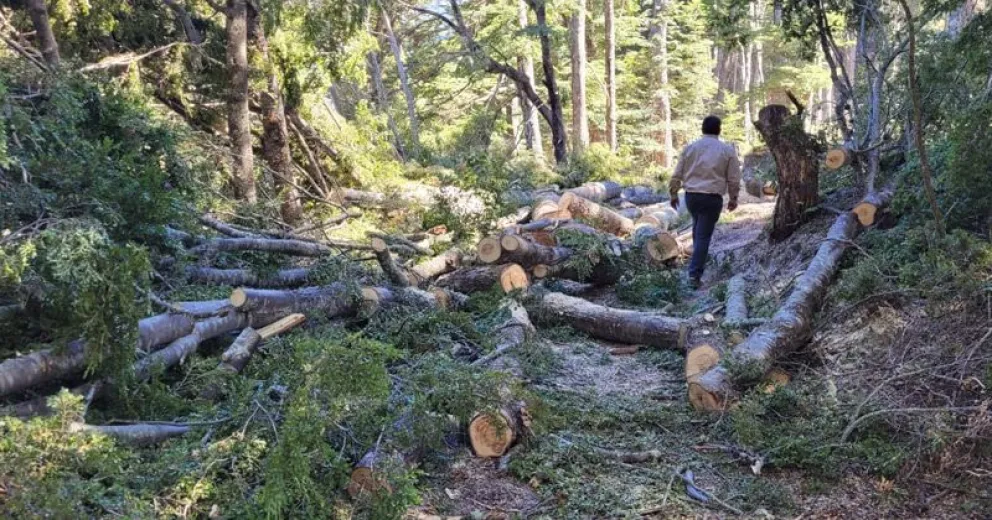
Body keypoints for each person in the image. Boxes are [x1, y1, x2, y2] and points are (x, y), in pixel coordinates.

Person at [669, 115, 741, 289]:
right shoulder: (727, 150)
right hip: (712, 198)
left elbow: (677, 173)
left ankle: (695, 265)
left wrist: (673, 193)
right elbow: (734, 178)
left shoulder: (690, 148)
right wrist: (733, 198)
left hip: (692, 197)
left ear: (703, 129)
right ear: (719, 130)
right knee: (702, 236)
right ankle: (694, 275)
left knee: (697, 230)